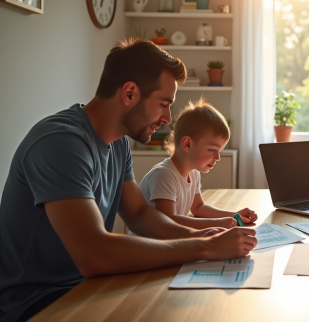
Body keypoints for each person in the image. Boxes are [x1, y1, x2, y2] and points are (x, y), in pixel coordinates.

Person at [0, 39, 257, 322]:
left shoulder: (119, 143)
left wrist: (201, 236)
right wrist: (204, 247)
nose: (168, 118)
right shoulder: (61, 143)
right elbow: (93, 254)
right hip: (36, 303)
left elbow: (139, 214)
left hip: (87, 288)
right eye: (163, 104)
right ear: (130, 93)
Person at [137, 99, 257, 230]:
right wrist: (217, 223)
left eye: (220, 150)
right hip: (148, 247)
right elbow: (169, 221)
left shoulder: (193, 173)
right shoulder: (164, 175)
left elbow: (198, 207)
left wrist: (234, 215)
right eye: (212, 150)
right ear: (187, 144)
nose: (218, 157)